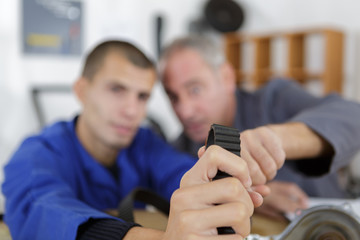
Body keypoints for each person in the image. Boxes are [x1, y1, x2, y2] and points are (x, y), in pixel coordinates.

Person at [2, 40, 275, 240]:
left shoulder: (145, 144)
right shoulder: (38, 153)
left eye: (142, 96)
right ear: (82, 91)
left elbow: (182, 173)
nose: (132, 111)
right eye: (117, 89)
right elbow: (45, 212)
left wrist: (229, 190)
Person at [159, 35, 360, 220]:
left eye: (195, 89)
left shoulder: (274, 100)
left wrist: (277, 139)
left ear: (227, 77)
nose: (184, 112)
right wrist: (240, 197)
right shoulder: (178, 152)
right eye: (173, 97)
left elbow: (353, 116)